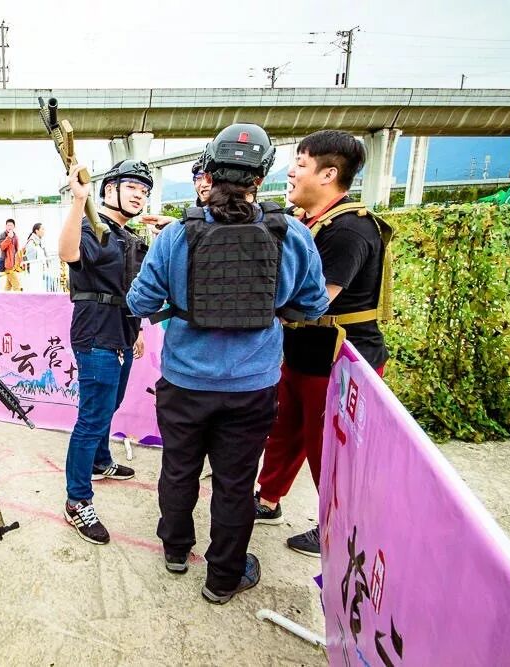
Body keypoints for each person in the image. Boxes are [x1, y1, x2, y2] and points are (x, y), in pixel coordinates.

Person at [126, 123, 329, 604]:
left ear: (209, 173)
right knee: (235, 483)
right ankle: (223, 577)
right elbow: (314, 304)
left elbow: (140, 301)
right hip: (252, 385)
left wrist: (179, 302)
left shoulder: (177, 234)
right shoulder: (292, 234)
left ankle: (176, 551)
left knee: (179, 468)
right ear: (260, 177)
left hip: (183, 381)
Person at [255, 130, 390, 557]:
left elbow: (315, 302)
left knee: (328, 449)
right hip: (302, 351)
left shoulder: (349, 229)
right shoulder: (309, 221)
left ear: (329, 174)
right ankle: (268, 499)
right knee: (284, 431)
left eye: (300, 163)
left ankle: (337, 528)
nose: (291, 172)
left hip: (339, 357)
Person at [57, 159, 154, 545]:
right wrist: (78, 201)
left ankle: (100, 461)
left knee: (109, 406)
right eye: (132, 187)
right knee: (92, 419)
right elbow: (67, 252)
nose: (139, 195)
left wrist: (138, 329)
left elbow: (131, 288)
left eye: (144, 190)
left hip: (123, 333)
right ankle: (77, 501)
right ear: (109, 189)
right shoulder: (92, 228)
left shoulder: (128, 238)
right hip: (96, 335)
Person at [22, 223, 51, 292]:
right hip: (35, 271)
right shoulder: (32, 241)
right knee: (35, 287)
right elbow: (30, 258)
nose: (44, 231)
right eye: (42, 229)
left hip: (40, 270)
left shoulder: (40, 241)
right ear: (37, 231)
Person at [0, 220, 22, 291]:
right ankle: (19, 297)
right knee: (17, 284)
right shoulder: (2, 235)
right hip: (7, 263)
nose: (9, 227)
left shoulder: (15, 236)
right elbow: (2, 247)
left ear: (14, 227)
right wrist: (9, 237)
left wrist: (18, 261)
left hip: (14, 263)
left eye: (11, 225)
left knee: (8, 285)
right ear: (5, 226)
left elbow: (17, 249)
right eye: (8, 225)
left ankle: (4, 297)